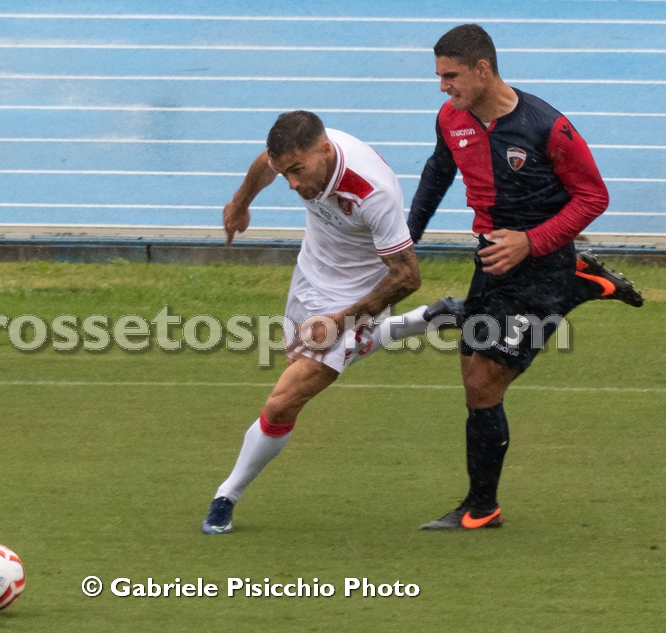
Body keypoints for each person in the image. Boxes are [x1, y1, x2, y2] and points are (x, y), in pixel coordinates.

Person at [408, 24, 643, 531]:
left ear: (483, 69)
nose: (443, 87)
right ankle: (584, 283)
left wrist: (532, 242)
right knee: (471, 373)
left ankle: (481, 508)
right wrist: (407, 239)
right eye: (439, 76)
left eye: (451, 76)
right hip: (492, 262)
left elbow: (594, 197)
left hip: (541, 267)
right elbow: (438, 171)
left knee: (484, 384)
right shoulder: (451, 119)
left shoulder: (546, 127)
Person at [202, 110, 440, 534]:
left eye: (297, 171)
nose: (292, 184)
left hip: (358, 295)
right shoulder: (297, 154)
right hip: (310, 277)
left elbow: (407, 276)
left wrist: (340, 321)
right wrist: (239, 204)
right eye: (286, 172)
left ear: (325, 151)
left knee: (283, 401)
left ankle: (226, 496)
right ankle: (420, 321)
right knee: (297, 364)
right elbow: (264, 163)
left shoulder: (371, 192)